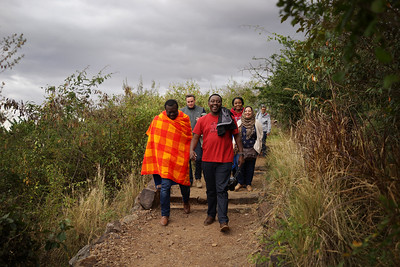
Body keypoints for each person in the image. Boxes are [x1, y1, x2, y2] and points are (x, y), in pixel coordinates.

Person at [190, 94, 244, 232]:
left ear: (221, 103)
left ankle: (223, 220)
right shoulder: (202, 120)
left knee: (222, 189)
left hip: (224, 160)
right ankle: (210, 214)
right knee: (211, 189)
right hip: (207, 160)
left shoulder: (228, 118)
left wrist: (241, 153)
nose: (215, 103)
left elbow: (236, 135)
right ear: (208, 103)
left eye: (218, 101)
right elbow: (195, 136)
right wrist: (191, 150)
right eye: (213, 101)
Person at [141, 99, 192, 226]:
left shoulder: (184, 119)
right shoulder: (158, 120)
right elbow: (154, 139)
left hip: (180, 159)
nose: (172, 115)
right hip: (165, 161)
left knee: (184, 185)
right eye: (169, 112)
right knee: (165, 188)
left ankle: (186, 202)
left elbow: (188, 138)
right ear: (165, 110)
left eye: (174, 112)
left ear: (178, 109)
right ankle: (165, 214)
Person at [233, 106, 263, 192]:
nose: (247, 113)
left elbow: (260, 136)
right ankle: (240, 182)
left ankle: (248, 183)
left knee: (250, 167)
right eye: (246, 111)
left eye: (249, 111)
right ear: (243, 112)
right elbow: (235, 135)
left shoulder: (256, 123)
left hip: (252, 149)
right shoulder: (239, 122)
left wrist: (258, 148)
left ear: (252, 112)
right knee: (239, 166)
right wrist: (234, 145)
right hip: (240, 149)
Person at [180, 94, 206, 188]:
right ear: (186, 102)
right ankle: (189, 180)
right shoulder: (182, 111)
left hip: (198, 138)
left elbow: (207, 122)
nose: (190, 103)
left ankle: (198, 179)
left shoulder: (201, 110)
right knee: (187, 160)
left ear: (194, 101)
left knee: (198, 158)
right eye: (188, 102)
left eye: (191, 101)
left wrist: (202, 120)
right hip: (185, 138)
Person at [230, 97, 244, 176]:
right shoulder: (230, 114)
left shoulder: (246, 113)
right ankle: (233, 176)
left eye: (239, 102)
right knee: (232, 156)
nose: (237, 104)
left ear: (242, 103)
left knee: (240, 156)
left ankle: (240, 179)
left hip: (242, 137)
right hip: (232, 136)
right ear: (233, 104)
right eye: (236, 103)